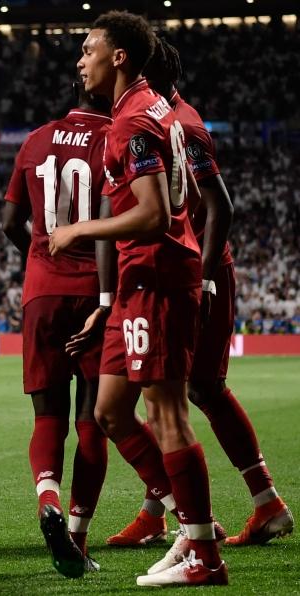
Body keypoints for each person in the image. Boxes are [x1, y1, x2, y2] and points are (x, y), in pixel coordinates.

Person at [53, 12, 226, 586]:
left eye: (88, 49)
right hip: (139, 281)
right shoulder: (154, 107)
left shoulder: (129, 123)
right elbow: (182, 200)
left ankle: (203, 552)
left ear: (119, 55)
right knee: (109, 411)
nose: (80, 60)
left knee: (168, 413)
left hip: (154, 276)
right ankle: (189, 527)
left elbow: (153, 215)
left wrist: (77, 231)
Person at [111, 36, 293, 551]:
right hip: (179, 269)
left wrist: (207, 276)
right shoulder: (169, 118)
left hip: (190, 271)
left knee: (191, 390)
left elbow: (221, 206)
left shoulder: (179, 124)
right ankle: (170, 507)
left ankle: (259, 504)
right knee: (169, 392)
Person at [2, 84, 112, 577]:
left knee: (47, 415)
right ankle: (77, 532)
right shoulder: (115, 137)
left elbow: (10, 222)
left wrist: (40, 257)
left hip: (41, 291)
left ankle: (46, 495)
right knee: (94, 417)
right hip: (96, 290)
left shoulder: (34, 140)